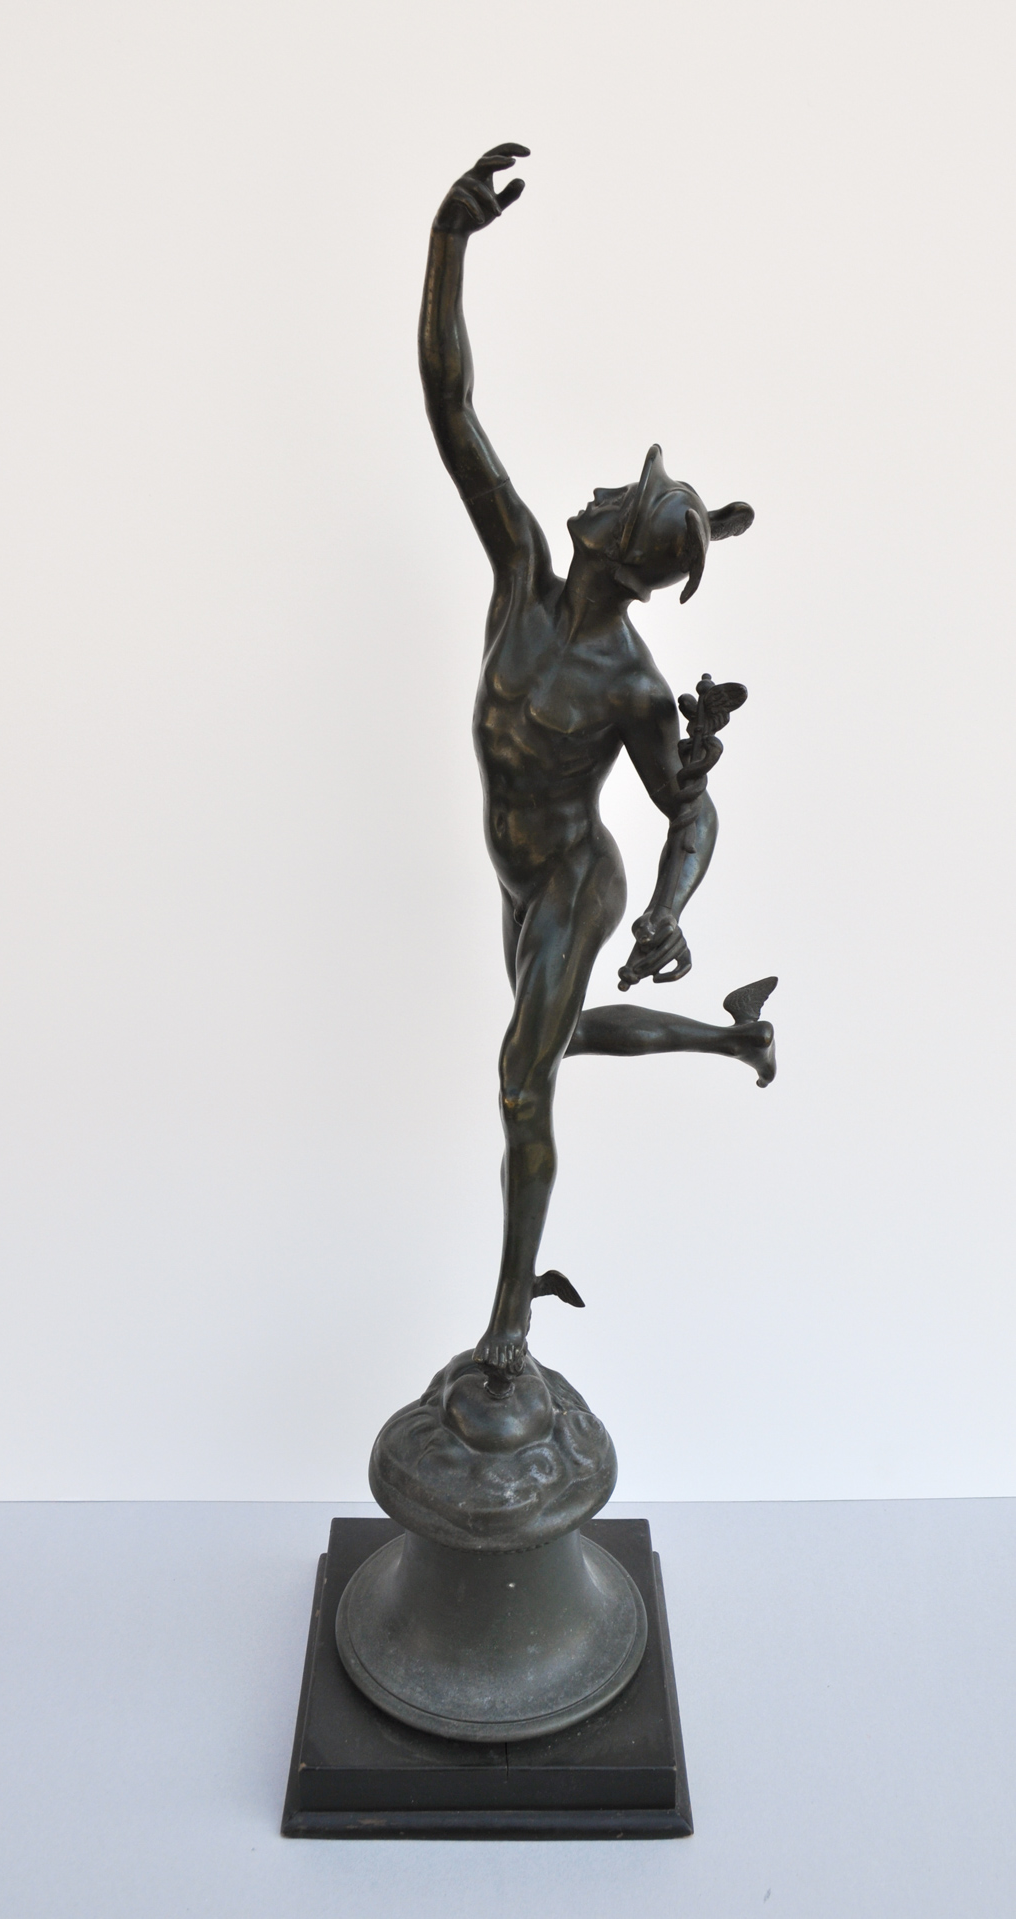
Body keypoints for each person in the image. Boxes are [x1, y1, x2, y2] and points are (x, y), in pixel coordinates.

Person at [420, 144, 776, 1381]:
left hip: (575, 881)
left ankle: (508, 1328)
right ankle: (735, 1041)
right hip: (517, 880)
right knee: (552, 1042)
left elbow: (688, 806)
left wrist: (670, 905)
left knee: (523, 1084)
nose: (600, 486)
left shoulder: (628, 684)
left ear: (617, 546)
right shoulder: (518, 571)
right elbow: (452, 410)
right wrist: (448, 242)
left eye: (621, 495)